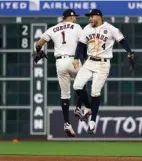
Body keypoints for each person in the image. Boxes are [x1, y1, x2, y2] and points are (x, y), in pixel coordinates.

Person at [72, 9, 135, 134]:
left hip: (103, 64)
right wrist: (75, 58)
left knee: (95, 92)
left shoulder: (111, 28)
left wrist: (129, 52)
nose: (90, 19)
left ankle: (92, 122)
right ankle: (89, 108)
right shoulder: (87, 28)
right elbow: (80, 45)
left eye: (92, 16)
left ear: (99, 16)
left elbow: (122, 41)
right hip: (89, 61)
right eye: (89, 17)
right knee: (77, 86)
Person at [34, 9, 83, 137]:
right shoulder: (76, 27)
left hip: (60, 62)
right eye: (75, 17)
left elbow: (38, 44)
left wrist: (39, 51)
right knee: (82, 84)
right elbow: (84, 43)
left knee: (65, 94)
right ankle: (78, 107)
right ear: (70, 17)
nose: (76, 19)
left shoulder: (53, 28)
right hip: (74, 60)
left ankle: (67, 123)